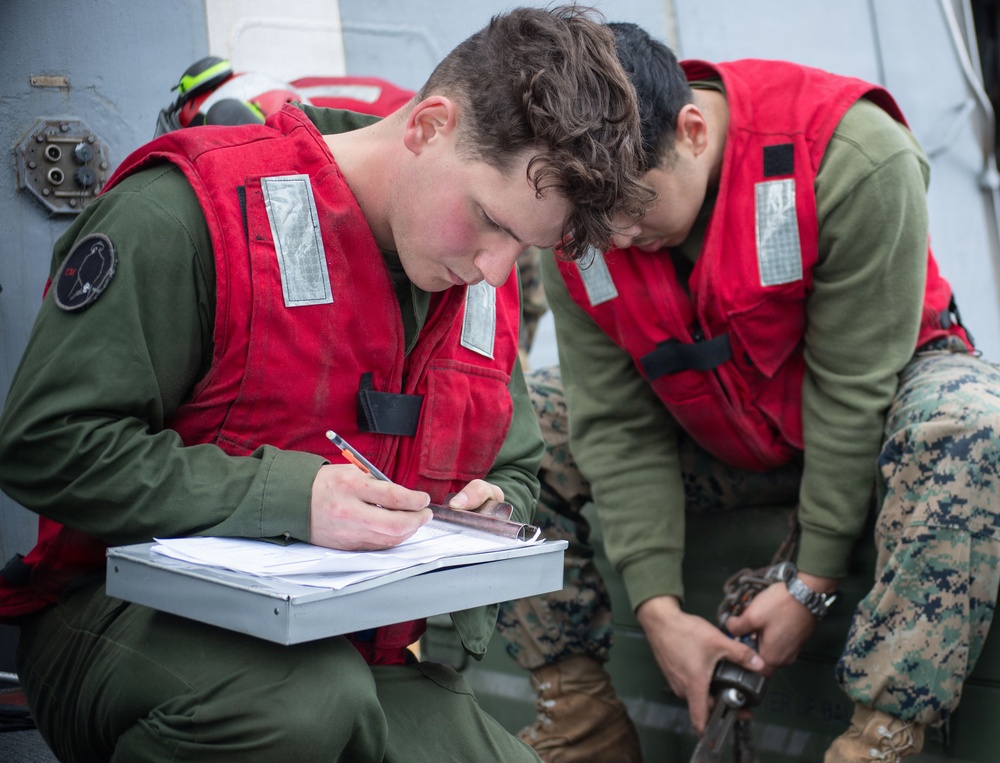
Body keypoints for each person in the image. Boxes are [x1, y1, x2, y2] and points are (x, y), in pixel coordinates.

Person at [0, 6, 654, 761]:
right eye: (488, 221)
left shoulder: (473, 270)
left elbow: (512, 463)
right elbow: (45, 444)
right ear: (428, 126)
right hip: (124, 623)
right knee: (302, 705)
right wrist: (291, 499)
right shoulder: (184, 215)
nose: (495, 270)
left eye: (524, 246)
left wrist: (495, 505)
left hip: (357, 655)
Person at [498, 21, 1000, 763]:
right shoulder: (588, 234)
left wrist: (813, 583)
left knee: (970, 425)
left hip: (877, 405)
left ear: (693, 132)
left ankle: (879, 741)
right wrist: (659, 609)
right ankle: (580, 716)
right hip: (716, 425)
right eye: (599, 223)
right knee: (513, 422)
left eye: (637, 206)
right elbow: (615, 421)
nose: (622, 239)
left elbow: (851, 386)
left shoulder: (853, 156)